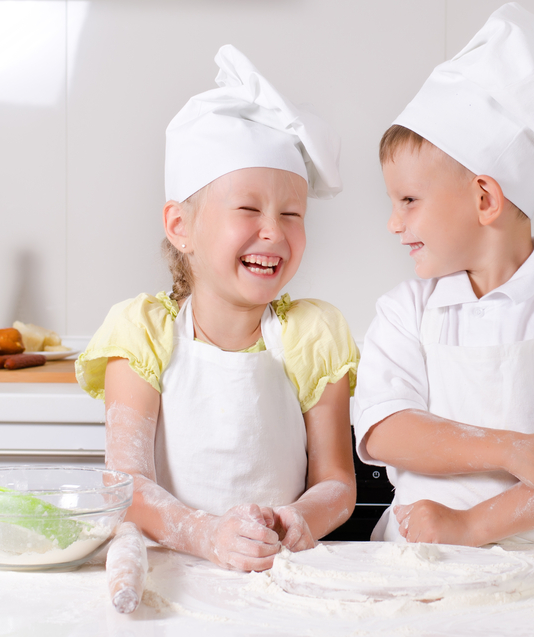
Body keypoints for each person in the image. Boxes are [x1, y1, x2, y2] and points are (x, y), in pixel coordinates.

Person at [353, 3, 534, 546]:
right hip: (424, 567)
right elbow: (386, 429)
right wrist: (515, 449)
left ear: (485, 198)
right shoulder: (404, 312)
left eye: (409, 200)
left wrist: (467, 526)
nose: (394, 223)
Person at [76, 45, 359, 571]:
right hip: (175, 573)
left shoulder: (313, 335)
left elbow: (337, 483)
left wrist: (299, 520)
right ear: (181, 226)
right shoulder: (143, 335)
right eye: (248, 208)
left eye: (292, 213)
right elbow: (128, 482)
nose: (273, 230)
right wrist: (209, 536)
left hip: (280, 574)